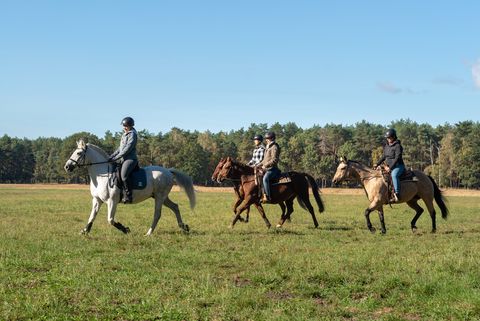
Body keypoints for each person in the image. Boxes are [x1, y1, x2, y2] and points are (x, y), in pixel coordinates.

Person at [108, 116, 138, 203]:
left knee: (124, 176)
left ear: (130, 126)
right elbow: (120, 148)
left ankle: (129, 196)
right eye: (123, 126)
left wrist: (116, 158)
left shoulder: (133, 134)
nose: (124, 128)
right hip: (123, 159)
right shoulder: (125, 134)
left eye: (126, 126)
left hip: (130, 159)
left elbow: (127, 149)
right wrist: (111, 156)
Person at [375, 128, 405, 202]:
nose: (388, 139)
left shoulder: (398, 146)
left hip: (398, 166)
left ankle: (397, 193)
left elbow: (397, 158)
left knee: (394, 175)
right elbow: (384, 156)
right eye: (387, 138)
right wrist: (377, 163)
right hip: (387, 166)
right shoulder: (387, 146)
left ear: (394, 137)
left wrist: (390, 167)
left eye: (389, 137)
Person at [257, 131, 281, 203]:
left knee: (265, 179)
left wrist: (265, 165)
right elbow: (264, 160)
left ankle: (267, 197)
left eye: (268, 138)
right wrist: (258, 165)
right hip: (266, 168)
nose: (266, 140)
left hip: (272, 169)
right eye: (266, 138)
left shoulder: (274, 147)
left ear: (272, 138)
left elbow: (274, 160)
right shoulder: (268, 147)